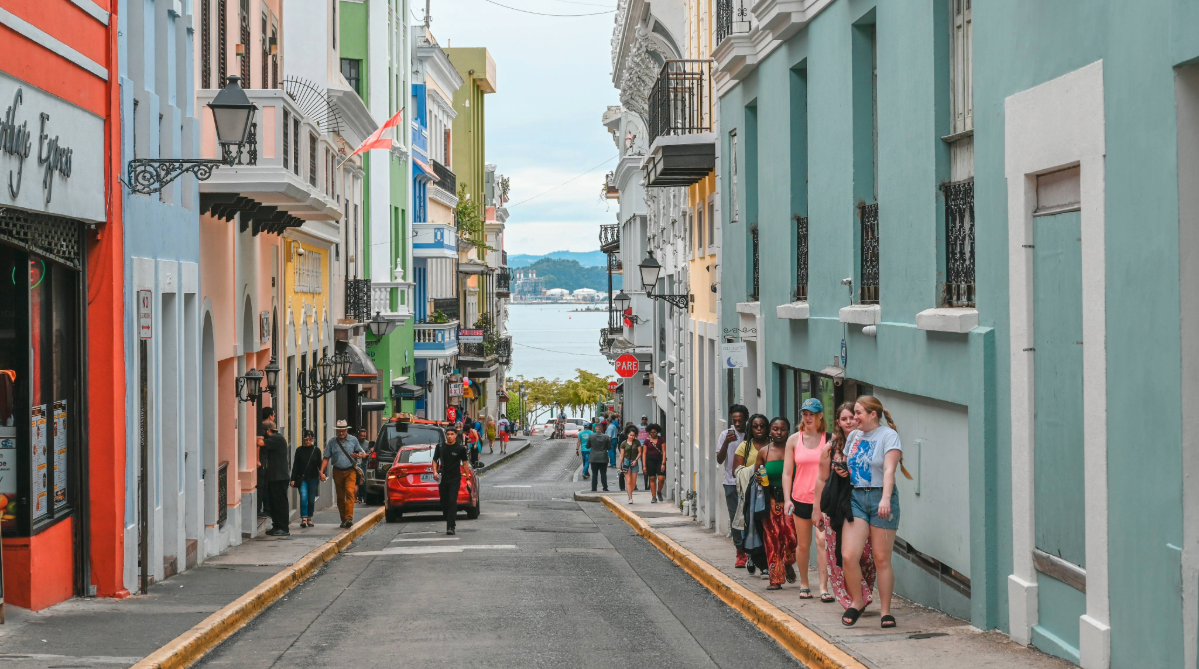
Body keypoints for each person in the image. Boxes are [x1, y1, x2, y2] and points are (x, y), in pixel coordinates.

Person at [839, 396, 910, 628]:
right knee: (849, 555)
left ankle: (886, 611)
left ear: (872, 415)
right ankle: (858, 601)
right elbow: (850, 464)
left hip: (881, 497)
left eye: (858, 413)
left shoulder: (888, 436)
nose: (854, 418)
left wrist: (886, 499)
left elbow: (889, 470)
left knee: (881, 559)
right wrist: (841, 470)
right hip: (857, 498)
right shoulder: (853, 437)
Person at [822, 402, 876, 613]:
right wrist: (818, 510)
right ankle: (852, 600)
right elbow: (821, 479)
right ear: (838, 422)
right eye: (844, 419)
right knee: (840, 556)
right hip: (836, 507)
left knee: (866, 556)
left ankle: (863, 593)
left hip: (862, 505)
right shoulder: (831, 447)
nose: (849, 422)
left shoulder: (868, 441)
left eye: (852, 418)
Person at [783, 398, 833, 602]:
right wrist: (787, 499)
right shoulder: (794, 440)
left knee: (822, 542)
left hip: (823, 501)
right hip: (800, 498)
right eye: (805, 414)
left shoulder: (830, 439)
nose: (808, 417)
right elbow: (787, 473)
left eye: (812, 414)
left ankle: (823, 587)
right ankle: (804, 584)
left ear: (820, 415)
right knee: (803, 545)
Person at [755, 417, 797, 590]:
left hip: (792, 500)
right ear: (770, 431)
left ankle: (787, 563)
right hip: (770, 500)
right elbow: (756, 474)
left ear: (788, 431)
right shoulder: (764, 452)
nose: (779, 433)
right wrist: (758, 477)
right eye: (775, 429)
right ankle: (775, 578)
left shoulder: (795, 450)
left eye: (783, 429)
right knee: (772, 539)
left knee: (792, 538)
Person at [716, 404, 749, 567]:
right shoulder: (725, 435)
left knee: (750, 517)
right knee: (735, 519)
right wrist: (726, 443)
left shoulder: (752, 435)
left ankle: (752, 549)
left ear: (746, 419)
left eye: (740, 421)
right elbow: (720, 459)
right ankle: (740, 552)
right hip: (731, 483)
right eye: (734, 421)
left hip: (750, 483)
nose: (737, 424)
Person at [321, 419, 367, 528]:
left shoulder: (353, 440)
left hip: (350, 470)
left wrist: (358, 455)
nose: (341, 433)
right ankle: (343, 519)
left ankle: (349, 518)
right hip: (337, 471)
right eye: (339, 431)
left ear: (346, 430)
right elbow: (326, 457)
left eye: (343, 431)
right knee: (341, 497)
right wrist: (321, 471)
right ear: (337, 431)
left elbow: (362, 453)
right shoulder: (332, 442)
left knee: (350, 493)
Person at [433, 426, 469, 535]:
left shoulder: (460, 448)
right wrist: (435, 472)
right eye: (448, 434)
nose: (449, 436)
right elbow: (435, 460)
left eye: (452, 434)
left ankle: (451, 526)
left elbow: (465, 463)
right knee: (444, 502)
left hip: (455, 478)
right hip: (443, 478)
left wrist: (467, 478)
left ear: (455, 435)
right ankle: (448, 517)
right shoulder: (440, 447)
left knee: (452, 501)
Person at [259, 420, 291, 536]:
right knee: (273, 503)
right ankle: (276, 526)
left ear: (268, 430)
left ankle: (283, 527)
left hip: (280, 477)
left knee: (280, 503)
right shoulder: (274, 439)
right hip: (273, 477)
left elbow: (260, 443)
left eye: (263, 431)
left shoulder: (277, 438)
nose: (263, 434)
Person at [290, 429, 325, 528]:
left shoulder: (316, 450)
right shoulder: (299, 450)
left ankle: (310, 517)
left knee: (311, 499)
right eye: (306, 439)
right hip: (302, 479)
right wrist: (292, 479)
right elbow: (295, 465)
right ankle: (304, 519)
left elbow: (320, 464)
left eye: (310, 439)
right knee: (303, 497)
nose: (308, 441)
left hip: (314, 478)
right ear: (303, 439)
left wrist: (322, 474)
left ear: (313, 439)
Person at [257, 406, 276, 518]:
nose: (274, 418)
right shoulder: (266, 430)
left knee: (264, 485)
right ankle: (264, 508)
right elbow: (260, 443)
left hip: (264, 461)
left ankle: (265, 508)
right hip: (263, 461)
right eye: (273, 415)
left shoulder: (260, 428)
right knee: (263, 486)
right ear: (270, 416)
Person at [618, 425, 643, 504]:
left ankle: (630, 492)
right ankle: (630, 497)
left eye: (633, 435)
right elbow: (621, 456)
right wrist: (619, 467)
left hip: (634, 462)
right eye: (630, 435)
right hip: (626, 463)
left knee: (633, 482)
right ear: (627, 434)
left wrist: (636, 460)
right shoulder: (624, 443)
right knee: (628, 481)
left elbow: (640, 453)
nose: (632, 437)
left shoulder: (637, 442)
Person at [642, 423, 667, 503]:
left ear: (657, 432)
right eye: (651, 433)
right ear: (649, 432)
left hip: (659, 460)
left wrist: (663, 463)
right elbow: (644, 453)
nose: (653, 434)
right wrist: (644, 466)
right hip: (650, 460)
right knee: (652, 478)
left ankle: (659, 492)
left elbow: (664, 452)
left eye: (655, 432)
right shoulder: (647, 441)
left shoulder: (661, 440)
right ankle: (653, 496)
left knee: (661, 478)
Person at [588, 425, 612, 492]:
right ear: (601, 429)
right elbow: (609, 447)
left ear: (596, 429)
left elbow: (587, 446)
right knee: (603, 473)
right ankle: (605, 487)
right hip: (603, 457)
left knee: (594, 473)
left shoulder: (591, 436)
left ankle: (594, 487)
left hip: (594, 457)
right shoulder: (606, 437)